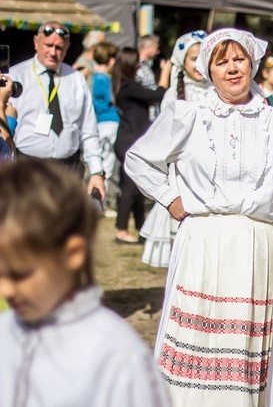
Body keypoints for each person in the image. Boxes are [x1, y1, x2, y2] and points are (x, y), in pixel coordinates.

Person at [126, 28, 273, 406]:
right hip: (204, 245)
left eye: (239, 59)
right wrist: (169, 197)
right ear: (208, 69)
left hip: (259, 247)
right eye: (221, 61)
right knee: (201, 342)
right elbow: (138, 158)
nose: (231, 68)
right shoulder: (188, 115)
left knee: (248, 345)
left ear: (253, 63)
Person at [0, 159, 171, 407]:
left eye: (20, 274)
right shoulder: (6, 331)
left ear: (72, 254)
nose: (5, 290)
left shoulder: (116, 355)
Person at [9, 22, 105, 197]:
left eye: (59, 48)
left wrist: (97, 171)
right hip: (27, 167)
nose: (53, 53)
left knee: (65, 224)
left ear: (67, 47)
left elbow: (88, 130)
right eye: (48, 45)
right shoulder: (15, 76)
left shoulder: (76, 79)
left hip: (68, 169)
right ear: (36, 42)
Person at [140, 31, 209, 268]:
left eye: (203, 58)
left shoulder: (217, 91)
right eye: (193, 59)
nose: (198, 64)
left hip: (213, 176)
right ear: (182, 61)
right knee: (181, 255)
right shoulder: (175, 94)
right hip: (184, 174)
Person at [113, 48, 170, 245]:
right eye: (137, 62)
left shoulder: (126, 84)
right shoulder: (127, 87)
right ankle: (121, 230)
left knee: (137, 186)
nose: (140, 65)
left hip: (131, 139)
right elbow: (157, 95)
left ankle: (140, 228)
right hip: (128, 141)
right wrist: (165, 73)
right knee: (130, 186)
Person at [89, 42, 120, 197]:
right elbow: (113, 99)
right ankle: (102, 198)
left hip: (100, 120)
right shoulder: (103, 78)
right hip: (109, 120)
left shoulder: (94, 76)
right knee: (107, 162)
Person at [136, 34, 161, 121]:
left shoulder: (147, 66)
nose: (158, 52)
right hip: (143, 116)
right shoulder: (137, 66)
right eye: (156, 48)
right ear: (147, 47)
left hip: (152, 115)